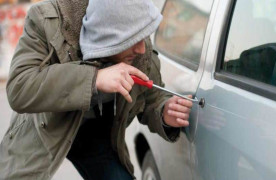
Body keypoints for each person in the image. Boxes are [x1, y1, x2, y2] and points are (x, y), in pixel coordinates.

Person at [0, 0, 193, 179]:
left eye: (143, 38)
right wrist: (94, 78)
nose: (142, 49)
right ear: (108, 34)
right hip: (44, 129)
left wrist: (164, 110)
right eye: (133, 40)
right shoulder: (46, 21)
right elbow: (20, 87)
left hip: (95, 136)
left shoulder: (138, 40)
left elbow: (151, 97)